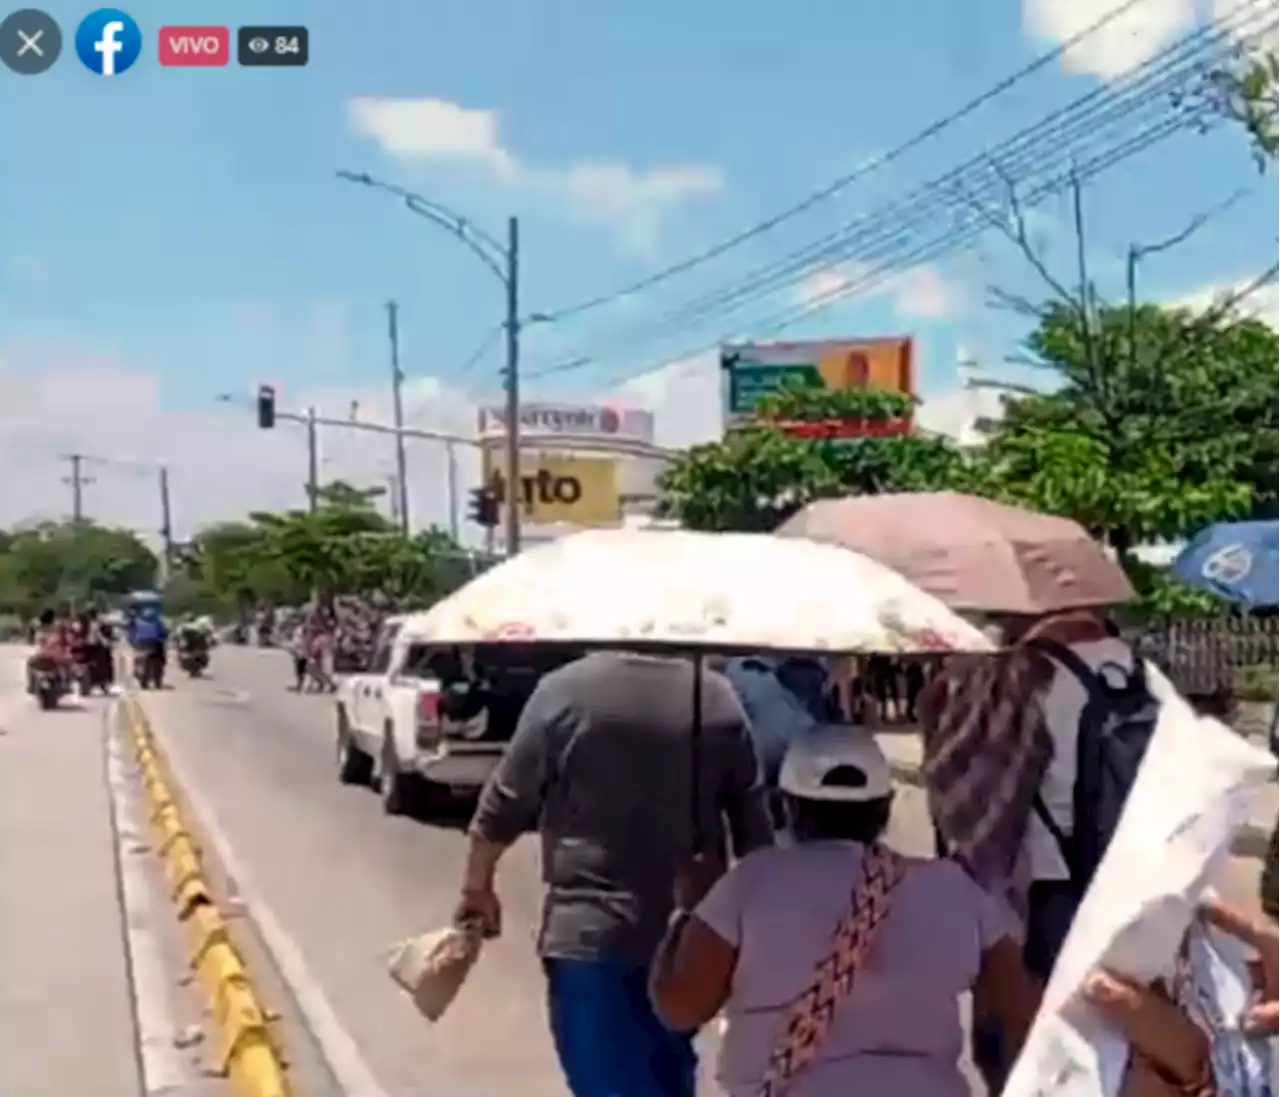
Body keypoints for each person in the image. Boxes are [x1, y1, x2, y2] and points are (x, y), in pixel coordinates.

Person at [650, 724, 1038, 1097]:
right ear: (885, 808)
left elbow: (680, 1006)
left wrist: (687, 910)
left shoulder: (751, 882)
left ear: (785, 807)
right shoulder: (952, 887)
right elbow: (1018, 1010)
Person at [455, 652, 774, 1097]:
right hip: (687, 937)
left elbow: (504, 804)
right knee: (669, 1076)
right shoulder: (716, 698)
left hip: (588, 938)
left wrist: (477, 886)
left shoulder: (563, 691)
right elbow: (755, 835)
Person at [921, 606, 1164, 1093]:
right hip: (1137, 887)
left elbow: (967, 801)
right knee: (1115, 1042)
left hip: (1049, 896)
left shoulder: (1022, 675)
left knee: (1025, 1044)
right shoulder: (1144, 674)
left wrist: (940, 704)